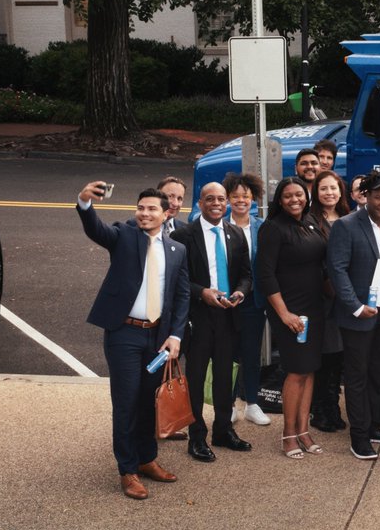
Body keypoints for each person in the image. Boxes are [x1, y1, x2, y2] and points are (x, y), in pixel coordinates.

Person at [77, 181, 189, 499]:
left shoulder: (177, 249)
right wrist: (85, 202)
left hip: (157, 337)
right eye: (140, 208)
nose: (144, 213)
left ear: (166, 213)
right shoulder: (124, 236)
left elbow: (181, 297)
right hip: (124, 333)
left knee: (147, 401)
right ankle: (127, 470)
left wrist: (175, 335)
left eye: (152, 208)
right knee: (126, 403)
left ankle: (146, 459)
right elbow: (97, 230)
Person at [327, 171, 380, 460]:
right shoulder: (346, 226)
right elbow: (337, 270)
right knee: (357, 377)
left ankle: (374, 425)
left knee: (378, 373)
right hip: (358, 316)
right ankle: (359, 436)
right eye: (378, 197)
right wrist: (354, 305)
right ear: (366, 195)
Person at [171, 182, 254, 462]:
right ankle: (197, 436)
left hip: (229, 316)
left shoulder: (235, 234)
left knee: (223, 378)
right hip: (198, 318)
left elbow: (246, 274)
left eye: (221, 199)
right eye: (210, 199)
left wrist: (241, 291)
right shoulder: (184, 235)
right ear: (200, 203)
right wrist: (201, 293)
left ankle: (222, 430)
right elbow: (178, 279)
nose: (217, 203)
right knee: (195, 379)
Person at [257, 177, 328, 459]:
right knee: (296, 370)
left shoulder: (311, 222)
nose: (294, 200)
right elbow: (265, 275)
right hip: (289, 309)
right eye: (287, 196)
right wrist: (284, 313)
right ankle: (288, 434)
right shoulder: (272, 229)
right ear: (279, 199)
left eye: (299, 194)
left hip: (314, 307)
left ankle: (303, 430)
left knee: (310, 369)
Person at [223, 172, 271, 427]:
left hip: (254, 301)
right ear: (228, 198)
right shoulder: (219, 224)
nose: (241, 200)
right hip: (226, 301)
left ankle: (252, 403)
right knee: (229, 353)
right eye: (235, 196)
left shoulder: (261, 226)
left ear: (253, 198)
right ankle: (230, 405)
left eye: (246, 196)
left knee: (251, 354)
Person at [311, 169, 351, 433]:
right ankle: (321, 411)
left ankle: (334, 408)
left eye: (333, 188)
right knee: (325, 356)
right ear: (316, 192)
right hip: (323, 297)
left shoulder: (349, 219)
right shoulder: (310, 221)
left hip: (346, 298)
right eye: (323, 188)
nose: (329, 193)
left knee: (339, 357)